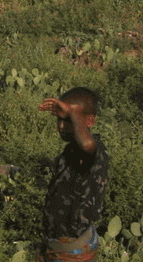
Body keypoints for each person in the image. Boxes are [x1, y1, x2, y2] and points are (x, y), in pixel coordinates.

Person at [38, 87, 110, 261]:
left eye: (68, 120)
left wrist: (71, 112)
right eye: (58, 120)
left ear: (90, 121)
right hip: (59, 245)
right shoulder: (72, 150)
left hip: (72, 250)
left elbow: (87, 145)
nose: (60, 127)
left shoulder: (92, 151)